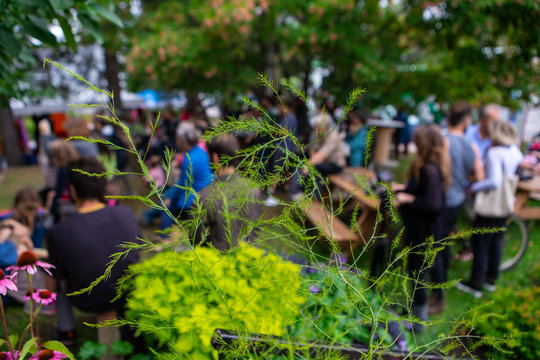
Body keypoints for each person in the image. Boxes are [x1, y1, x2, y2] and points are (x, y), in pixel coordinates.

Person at [46, 157, 140, 343]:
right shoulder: (126, 214)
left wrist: (47, 298)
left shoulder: (58, 232)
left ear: (72, 189)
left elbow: (55, 277)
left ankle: (66, 331)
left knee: (53, 272)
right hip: (130, 290)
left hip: (90, 298)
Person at [428, 102, 484, 314]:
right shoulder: (472, 146)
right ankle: (440, 283)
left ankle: (438, 295)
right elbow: (478, 176)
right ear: (466, 121)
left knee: (434, 244)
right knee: (442, 241)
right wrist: (462, 176)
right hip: (457, 199)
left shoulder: (442, 141)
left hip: (441, 200)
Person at [457, 120, 523, 298]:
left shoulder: (495, 152)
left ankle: (475, 284)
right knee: (496, 242)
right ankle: (491, 278)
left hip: (490, 207)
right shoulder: (514, 151)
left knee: (481, 244)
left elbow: (494, 181)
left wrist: (474, 187)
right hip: (505, 204)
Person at [394, 124, 450, 331]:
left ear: (424, 144)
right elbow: (425, 192)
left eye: (417, 142)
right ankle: (414, 310)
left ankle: (418, 321)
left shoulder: (429, 170)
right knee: (416, 270)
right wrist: (405, 188)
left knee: (418, 273)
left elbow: (433, 204)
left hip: (424, 231)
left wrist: (408, 198)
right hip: (423, 228)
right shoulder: (431, 165)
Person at [195, 135, 263, 250]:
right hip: (249, 258)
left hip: (218, 262)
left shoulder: (205, 195)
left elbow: (197, 240)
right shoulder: (253, 188)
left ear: (215, 158)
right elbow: (257, 228)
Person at [161, 122, 214, 230]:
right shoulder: (200, 151)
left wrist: (170, 198)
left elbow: (183, 185)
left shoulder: (189, 159)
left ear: (182, 140)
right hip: (207, 189)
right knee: (166, 196)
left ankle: (164, 237)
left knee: (165, 205)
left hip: (197, 194)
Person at [47, 141, 80, 224]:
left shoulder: (63, 170)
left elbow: (58, 190)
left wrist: (52, 210)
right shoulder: (77, 166)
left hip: (66, 205)